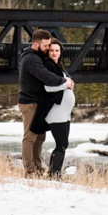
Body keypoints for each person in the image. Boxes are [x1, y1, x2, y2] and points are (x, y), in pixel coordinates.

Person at [18, 29, 73, 178]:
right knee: (29, 138)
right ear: (36, 44)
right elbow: (46, 77)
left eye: (51, 46)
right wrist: (64, 82)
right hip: (29, 103)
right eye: (46, 46)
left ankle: (37, 168)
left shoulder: (37, 57)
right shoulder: (31, 59)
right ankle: (29, 171)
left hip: (38, 104)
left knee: (39, 138)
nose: (49, 49)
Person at [30, 38, 76, 179]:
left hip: (64, 112)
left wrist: (69, 83)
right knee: (61, 144)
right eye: (51, 50)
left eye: (57, 50)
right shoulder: (48, 66)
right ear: (47, 52)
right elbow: (47, 87)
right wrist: (66, 85)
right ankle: (54, 175)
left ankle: (54, 173)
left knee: (63, 144)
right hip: (56, 111)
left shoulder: (58, 67)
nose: (54, 53)